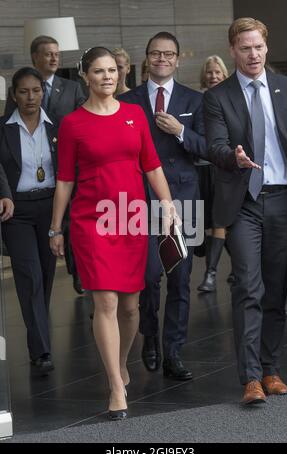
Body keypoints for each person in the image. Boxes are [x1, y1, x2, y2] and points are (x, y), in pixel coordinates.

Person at [49, 47, 176, 420]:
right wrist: (56, 228)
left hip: (132, 218)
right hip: (92, 222)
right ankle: (115, 387)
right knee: (103, 302)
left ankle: (120, 362)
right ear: (85, 75)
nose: (107, 77)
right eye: (99, 71)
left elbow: (152, 167)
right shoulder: (72, 123)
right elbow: (64, 181)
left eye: (111, 71)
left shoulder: (136, 115)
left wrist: (168, 205)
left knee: (131, 306)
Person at [204, 17, 287, 405]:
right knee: (248, 285)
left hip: (286, 199)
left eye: (258, 46)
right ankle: (250, 379)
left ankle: (271, 368)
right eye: (245, 47)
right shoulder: (217, 96)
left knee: (276, 291)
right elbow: (214, 146)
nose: (253, 53)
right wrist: (234, 156)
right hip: (244, 202)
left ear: (266, 47)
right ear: (233, 51)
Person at [119, 32, 206, 380]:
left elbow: (205, 148)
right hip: (141, 198)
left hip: (184, 200)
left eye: (168, 54)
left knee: (181, 279)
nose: (162, 59)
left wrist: (181, 130)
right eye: (156, 54)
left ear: (177, 59)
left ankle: (174, 352)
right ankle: (150, 336)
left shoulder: (195, 100)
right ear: (147, 58)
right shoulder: (127, 100)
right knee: (149, 276)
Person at [4, 35, 86, 295]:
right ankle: (40, 333)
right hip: (20, 202)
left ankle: (76, 274)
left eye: (57, 53)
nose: (54, 58)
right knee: (32, 275)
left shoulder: (68, 99)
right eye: (48, 53)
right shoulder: (9, 117)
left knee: (51, 265)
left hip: (55, 192)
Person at [0, 67, 58, 375]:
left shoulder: (56, 127)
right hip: (17, 211)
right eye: (24, 91)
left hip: (50, 208)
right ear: (14, 95)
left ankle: (40, 336)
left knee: (46, 277)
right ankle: (41, 350)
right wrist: (4, 193)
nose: (31, 96)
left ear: (43, 92)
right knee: (30, 276)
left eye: (36, 90)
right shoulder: (2, 128)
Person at [196, 55, 230, 292]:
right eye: (209, 72)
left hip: (222, 169)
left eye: (218, 72)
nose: (214, 76)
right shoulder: (196, 100)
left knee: (219, 221)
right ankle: (238, 266)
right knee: (205, 223)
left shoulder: (230, 99)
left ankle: (211, 274)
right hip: (198, 169)